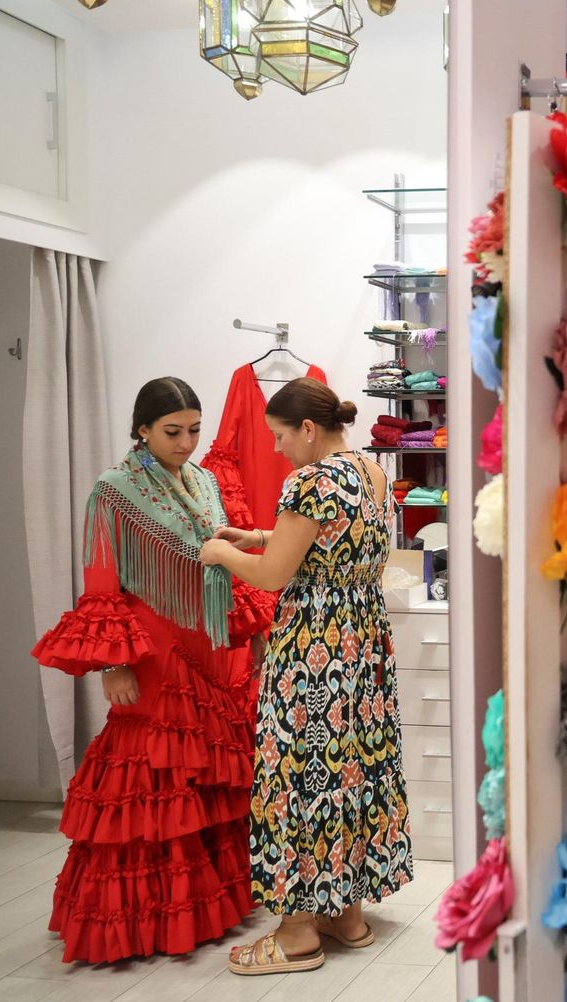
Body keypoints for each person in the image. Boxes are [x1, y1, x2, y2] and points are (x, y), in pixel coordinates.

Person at [31, 377, 275, 964]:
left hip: (210, 643)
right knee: (152, 770)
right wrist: (114, 662)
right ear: (142, 429)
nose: (186, 443)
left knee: (209, 771)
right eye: (172, 432)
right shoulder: (113, 490)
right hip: (154, 649)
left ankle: (213, 905)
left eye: (194, 430)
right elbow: (101, 580)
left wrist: (252, 634)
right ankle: (145, 921)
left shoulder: (205, 481)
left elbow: (227, 563)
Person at [201, 377, 412, 976]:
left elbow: (272, 576)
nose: (277, 448)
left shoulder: (310, 480)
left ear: (309, 430)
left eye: (279, 436)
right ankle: (345, 913)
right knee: (352, 770)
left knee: (297, 774)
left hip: (313, 649)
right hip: (362, 648)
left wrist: (223, 553)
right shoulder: (371, 472)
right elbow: (330, 542)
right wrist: (259, 536)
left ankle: (296, 932)